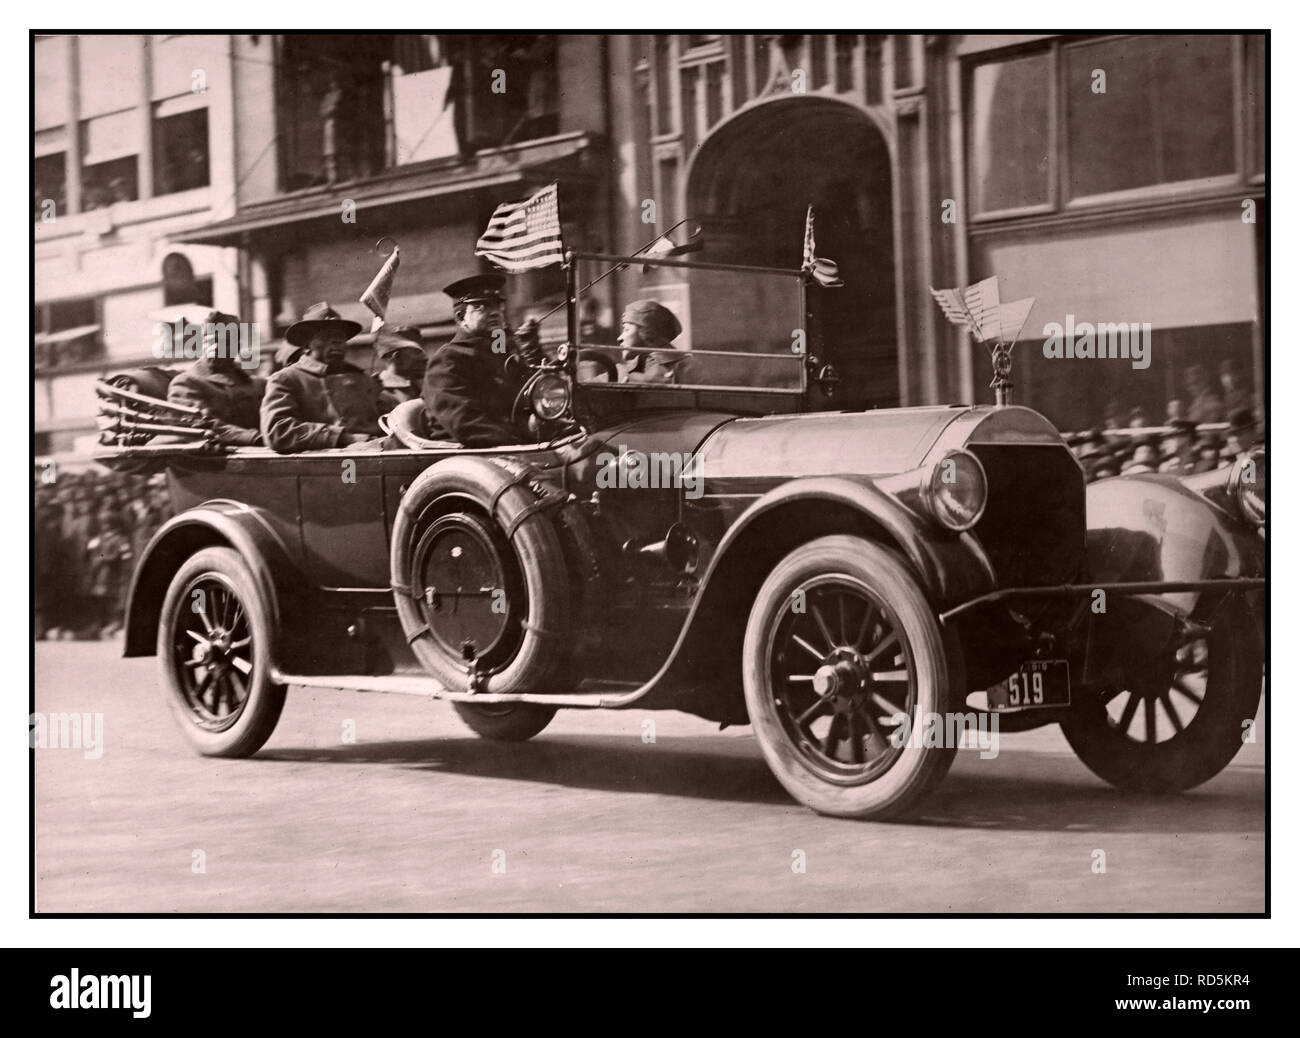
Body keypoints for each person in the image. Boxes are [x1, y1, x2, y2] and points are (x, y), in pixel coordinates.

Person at [422, 274, 533, 447]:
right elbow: (464, 421)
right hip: (470, 453)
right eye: (481, 307)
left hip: (513, 445)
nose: (495, 312)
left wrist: (532, 348)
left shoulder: (501, 350)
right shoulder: (448, 359)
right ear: (461, 318)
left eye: (497, 305)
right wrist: (521, 439)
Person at [260, 302, 382, 452]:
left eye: (340, 337)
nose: (336, 342)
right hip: (322, 466)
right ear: (306, 346)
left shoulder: (362, 378)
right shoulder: (286, 379)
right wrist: (344, 437)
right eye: (326, 336)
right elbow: (278, 431)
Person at [167, 311, 265, 446]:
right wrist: (253, 438)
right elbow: (199, 424)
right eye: (210, 341)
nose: (216, 347)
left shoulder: (256, 384)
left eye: (226, 342)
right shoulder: (186, 383)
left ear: (237, 346)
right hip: (216, 461)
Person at [618, 300, 692, 384]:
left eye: (627, 329)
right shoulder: (620, 371)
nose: (620, 338)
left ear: (649, 332)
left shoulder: (687, 369)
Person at [374, 325, 427, 411]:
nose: (425, 357)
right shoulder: (379, 393)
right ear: (397, 357)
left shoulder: (422, 387)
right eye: (417, 351)